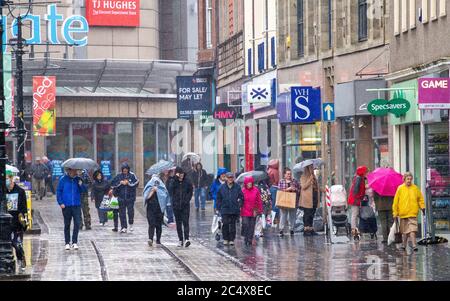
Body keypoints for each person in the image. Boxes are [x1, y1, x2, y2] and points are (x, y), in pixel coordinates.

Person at [393, 172, 425, 251]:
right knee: (405, 232)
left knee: (412, 230)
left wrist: (422, 207)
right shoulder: (400, 188)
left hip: (412, 213)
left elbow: (420, 199)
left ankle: (414, 245)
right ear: (404, 179)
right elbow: (395, 202)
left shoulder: (415, 188)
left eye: (410, 179)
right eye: (408, 179)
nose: (409, 181)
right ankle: (404, 245)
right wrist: (395, 213)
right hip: (403, 214)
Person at [57, 168, 87, 250]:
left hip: (76, 205)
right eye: (73, 170)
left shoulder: (78, 179)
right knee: (67, 224)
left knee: (77, 223)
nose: (75, 172)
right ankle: (67, 242)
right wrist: (61, 202)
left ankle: (74, 242)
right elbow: (59, 191)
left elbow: (84, 190)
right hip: (66, 205)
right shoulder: (63, 179)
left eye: (75, 171)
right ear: (69, 171)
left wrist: (81, 184)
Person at [6, 173, 28, 270]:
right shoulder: (3, 191)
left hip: (17, 222)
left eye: (8, 179)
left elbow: (24, 208)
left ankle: (21, 259)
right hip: (5, 223)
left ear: (12, 180)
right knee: (7, 244)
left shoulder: (20, 191)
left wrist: (22, 221)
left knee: (17, 244)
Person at [168, 167, 193, 247]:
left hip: (185, 206)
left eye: (182, 173)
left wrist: (187, 200)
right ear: (177, 173)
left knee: (185, 222)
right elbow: (170, 190)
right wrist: (175, 178)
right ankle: (180, 240)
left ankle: (187, 239)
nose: (181, 175)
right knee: (178, 224)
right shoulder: (173, 181)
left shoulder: (187, 181)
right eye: (180, 173)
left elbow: (190, 191)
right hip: (176, 206)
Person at [216, 172, 243, 246]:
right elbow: (218, 198)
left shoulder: (237, 187)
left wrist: (239, 203)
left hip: (234, 209)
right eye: (229, 178)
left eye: (231, 177)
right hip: (225, 209)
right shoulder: (222, 187)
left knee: (233, 225)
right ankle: (225, 238)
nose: (230, 179)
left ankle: (232, 239)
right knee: (225, 224)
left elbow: (241, 197)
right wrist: (218, 208)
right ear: (226, 178)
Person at [111, 163, 139, 233]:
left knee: (130, 212)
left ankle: (131, 224)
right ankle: (124, 227)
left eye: (126, 169)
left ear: (128, 169)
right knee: (122, 213)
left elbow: (136, 183)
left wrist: (128, 183)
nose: (125, 171)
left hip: (130, 198)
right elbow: (113, 184)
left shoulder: (132, 175)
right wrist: (120, 182)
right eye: (124, 169)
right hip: (121, 198)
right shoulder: (119, 176)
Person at [143, 173, 170, 246]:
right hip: (151, 207)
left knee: (158, 224)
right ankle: (150, 238)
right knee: (151, 223)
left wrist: (157, 190)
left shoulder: (162, 187)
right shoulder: (149, 186)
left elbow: (165, 195)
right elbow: (146, 196)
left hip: (159, 208)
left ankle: (158, 240)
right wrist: (152, 191)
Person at [241, 176, 263, 246]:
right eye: (248, 183)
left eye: (250, 182)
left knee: (251, 226)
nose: (249, 184)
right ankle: (245, 237)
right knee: (245, 224)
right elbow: (240, 201)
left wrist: (259, 210)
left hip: (253, 210)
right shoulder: (243, 191)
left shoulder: (256, 190)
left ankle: (250, 239)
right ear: (246, 183)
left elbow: (259, 201)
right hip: (244, 210)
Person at [347, 166, 369, 238]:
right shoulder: (358, 179)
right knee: (355, 214)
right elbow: (356, 190)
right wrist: (358, 198)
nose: (367, 173)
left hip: (357, 199)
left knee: (356, 214)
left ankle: (356, 229)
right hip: (355, 200)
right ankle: (354, 229)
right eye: (366, 172)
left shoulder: (361, 178)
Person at [278, 168, 299, 237]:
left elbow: (299, 190)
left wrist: (295, 189)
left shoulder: (294, 181)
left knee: (292, 216)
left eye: (290, 174)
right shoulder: (281, 181)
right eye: (288, 174)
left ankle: (292, 229)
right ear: (284, 175)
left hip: (293, 201)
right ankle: (281, 229)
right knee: (283, 216)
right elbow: (279, 191)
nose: (289, 175)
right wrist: (288, 189)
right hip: (284, 201)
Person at [300, 165, 320, 236]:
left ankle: (311, 229)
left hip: (314, 198)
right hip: (307, 199)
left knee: (312, 214)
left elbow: (316, 186)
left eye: (312, 167)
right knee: (307, 214)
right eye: (310, 168)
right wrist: (309, 180)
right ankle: (306, 230)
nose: (312, 169)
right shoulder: (303, 176)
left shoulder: (314, 176)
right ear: (307, 168)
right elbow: (303, 186)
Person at [267, 159, 280, 224]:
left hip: (271, 187)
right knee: (276, 204)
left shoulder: (269, 170)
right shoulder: (275, 171)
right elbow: (277, 180)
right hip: (275, 187)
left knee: (272, 203)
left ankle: (272, 218)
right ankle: (275, 219)